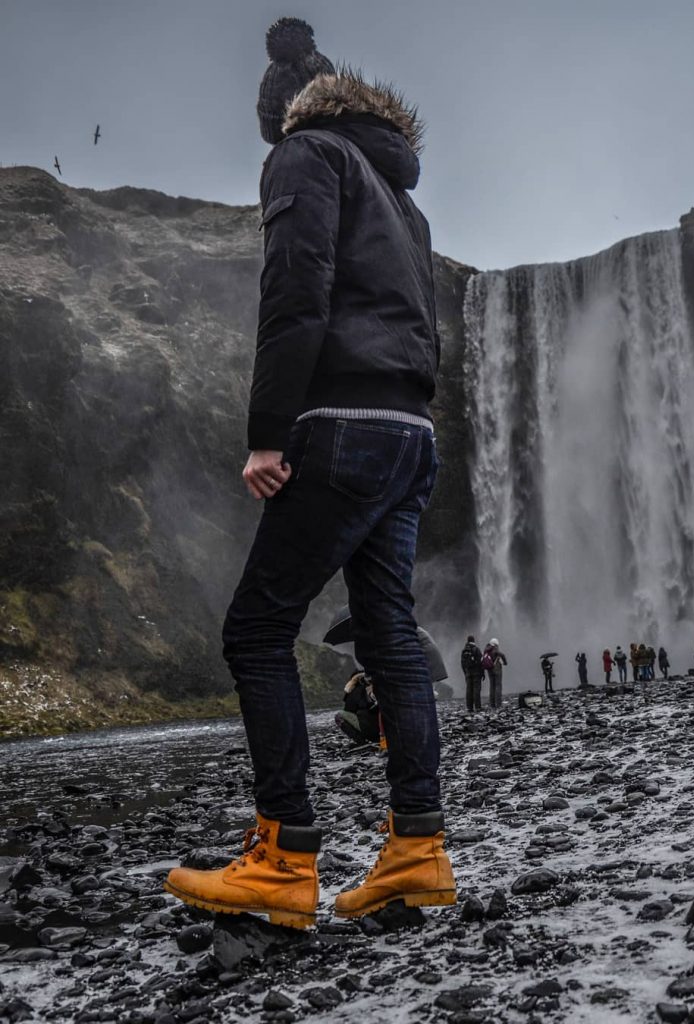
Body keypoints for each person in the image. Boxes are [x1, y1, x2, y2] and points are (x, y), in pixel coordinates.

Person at [164, 20, 455, 928]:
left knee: (256, 631)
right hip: (410, 432)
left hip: (340, 427)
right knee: (389, 636)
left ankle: (282, 858)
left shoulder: (303, 156)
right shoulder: (402, 198)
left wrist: (267, 434)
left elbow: (296, 288)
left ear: (280, 113)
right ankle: (416, 849)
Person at [335, 671, 380, 744]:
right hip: (386, 731)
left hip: (371, 731)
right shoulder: (380, 686)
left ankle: (361, 741)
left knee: (339, 716)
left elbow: (348, 710)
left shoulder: (354, 691)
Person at [460, 634, 484, 712]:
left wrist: (465, 673)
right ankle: (478, 707)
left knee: (469, 690)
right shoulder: (476, 649)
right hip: (476, 673)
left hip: (468, 673)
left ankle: (469, 707)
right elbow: (481, 662)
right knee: (476, 689)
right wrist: (482, 673)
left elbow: (462, 663)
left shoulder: (464, 651)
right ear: (473, 641)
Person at [484, 639, 507, 708]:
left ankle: (492, 704)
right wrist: (505, 663)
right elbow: (502, 655)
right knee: (498, 686)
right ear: (495, 644)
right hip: (497, 669)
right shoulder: (495, 649)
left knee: (492, 686)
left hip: (489, 670)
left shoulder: (486, 650)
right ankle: (498, 704)